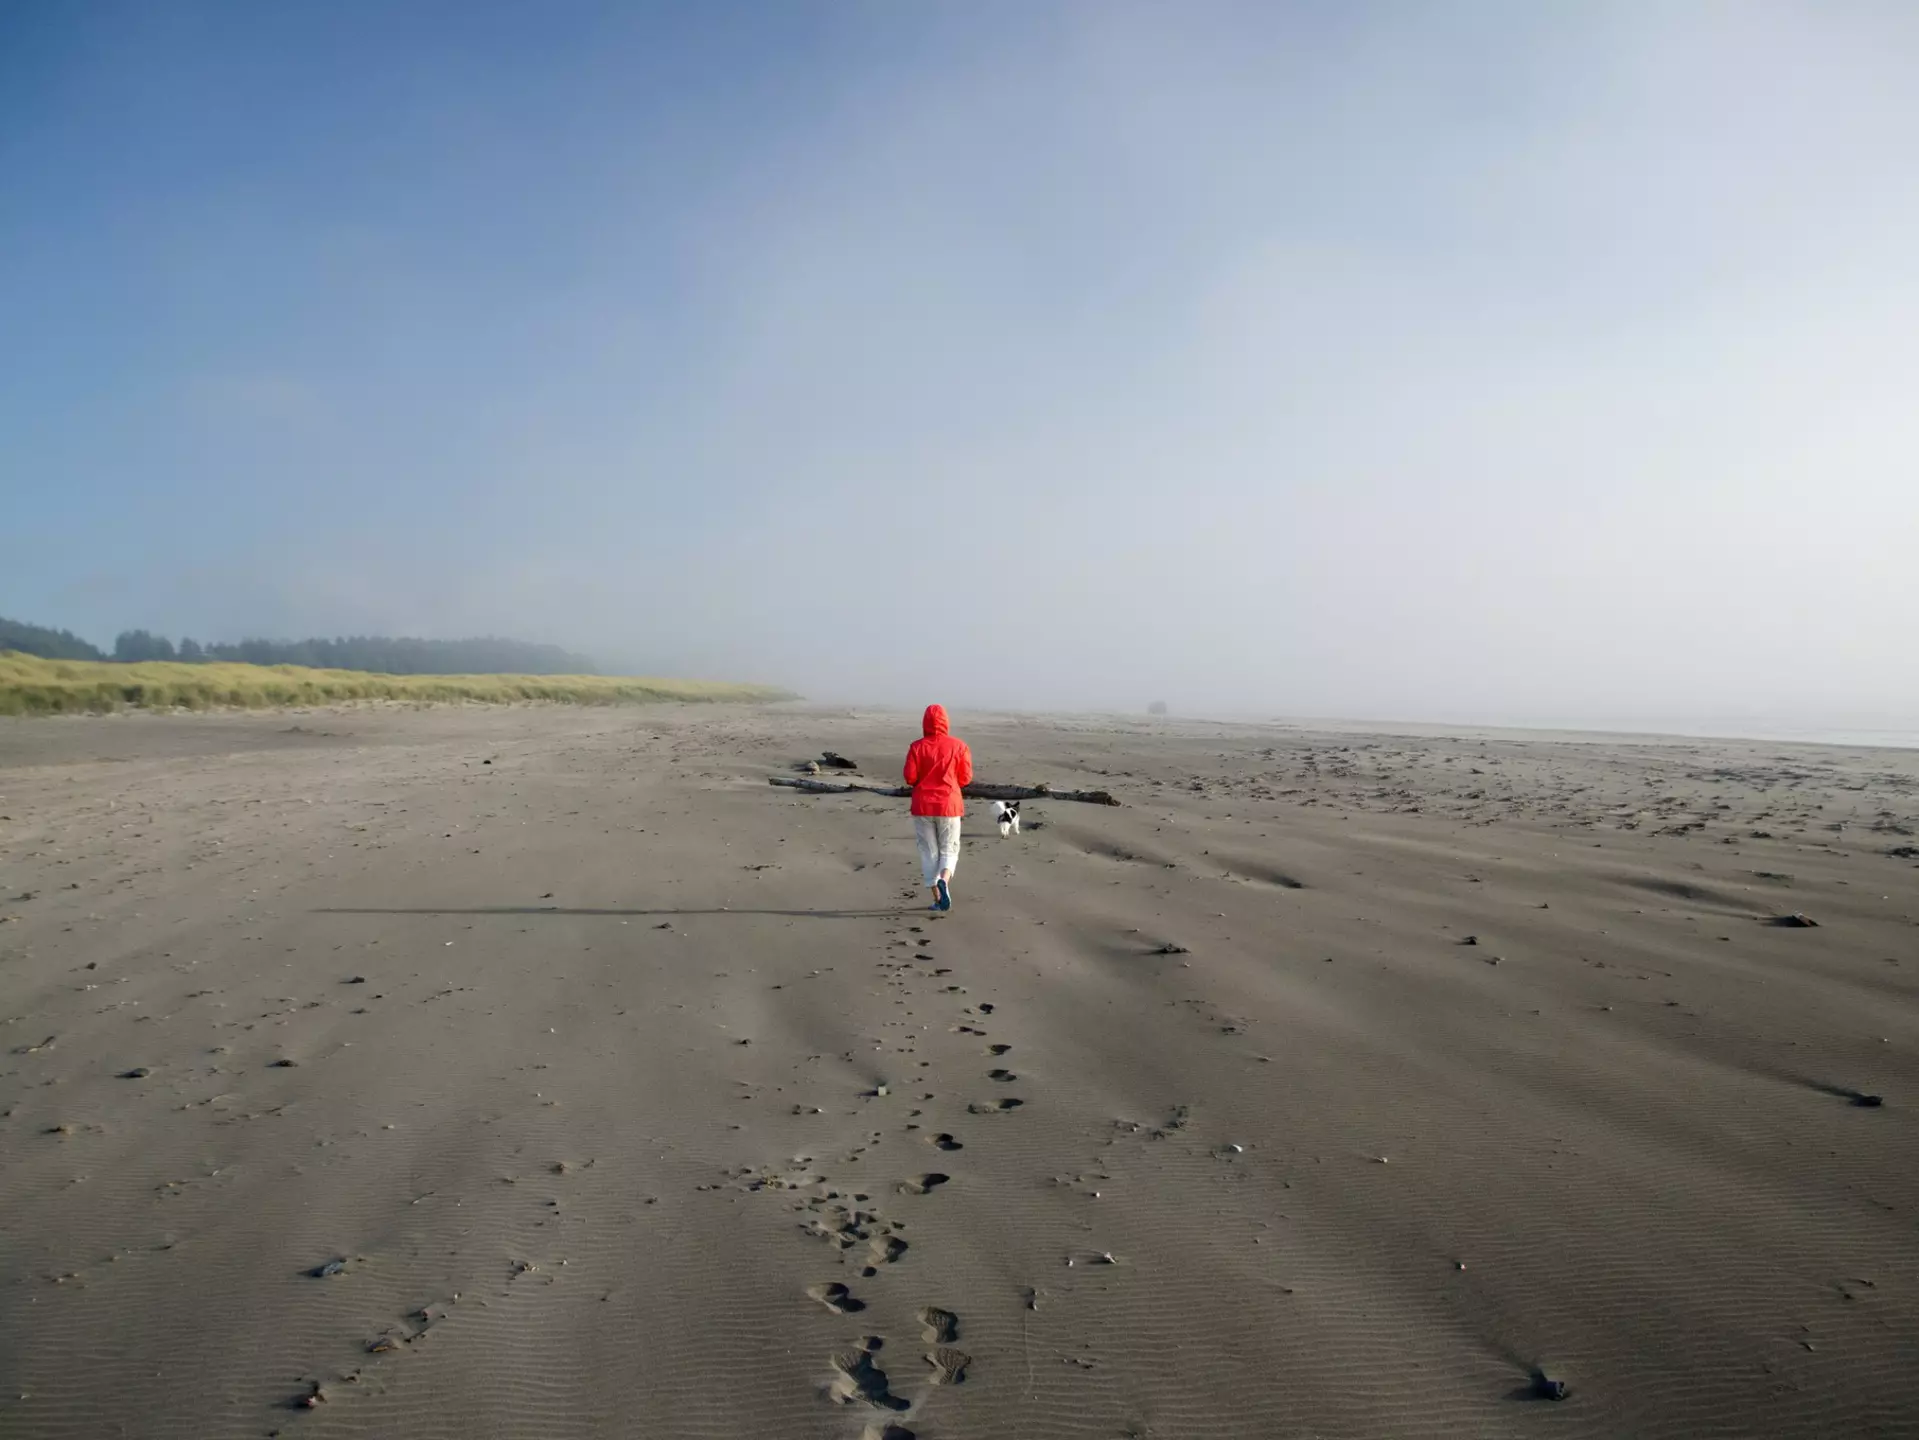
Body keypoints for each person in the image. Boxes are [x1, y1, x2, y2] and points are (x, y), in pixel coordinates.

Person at [903, 703, 973, 911]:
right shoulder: (959, 746)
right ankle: (945, 879)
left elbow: (910, 777)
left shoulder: (917, 746)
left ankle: (937, 898)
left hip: (923, 805)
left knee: (928, 852)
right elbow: (966, 778)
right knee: (949, 849)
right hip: (949, 805)